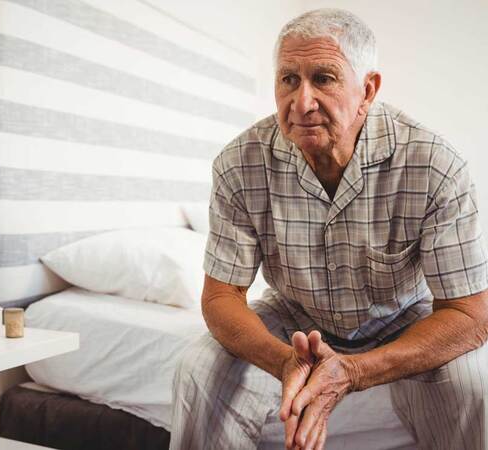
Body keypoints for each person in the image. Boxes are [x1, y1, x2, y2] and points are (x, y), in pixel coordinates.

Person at [170, 8, 488, 450]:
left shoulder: (435, 164)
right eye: (288, 79)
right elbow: (221, 297)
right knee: (197, 369)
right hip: (294, 315)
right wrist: (286, 362)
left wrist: (354, 370)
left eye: (324, 78)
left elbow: (470, 315)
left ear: (367, 90)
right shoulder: (238, 163)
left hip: (404, 316)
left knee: (478, 387)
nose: (301, 102)